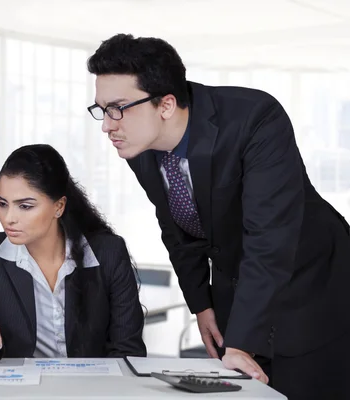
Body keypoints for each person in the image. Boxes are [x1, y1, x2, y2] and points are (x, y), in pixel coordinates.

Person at [86, 33, 350, 399]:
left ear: (165, 104)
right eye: (101, 109)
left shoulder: (254, 118)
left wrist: (241, 340)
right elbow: (177, 225)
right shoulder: (140, 146)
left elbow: (269, 239)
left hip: (308, 282)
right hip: (238, 289)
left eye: (118, 108)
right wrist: (202, 304)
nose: (107, 125)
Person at [0, 144, 146, 362]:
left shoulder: (108, 253)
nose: (8, 218)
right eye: (2, 204)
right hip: (19, 392)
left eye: (25, 206)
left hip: (92, 390)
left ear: (59, 206)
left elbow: (128, 350)